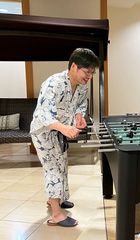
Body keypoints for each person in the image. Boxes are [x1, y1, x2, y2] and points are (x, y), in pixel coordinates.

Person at [30, 48, 99, 227]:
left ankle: (56, 199)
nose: (89, 76)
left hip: (60, 132)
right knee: (53, 168)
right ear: (74, 66)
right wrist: (66, 129)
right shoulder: (53, 83)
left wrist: (79, 117)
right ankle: (56, 214)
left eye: (92, 72)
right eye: (87, 71)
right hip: (44, 133)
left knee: (62, 165)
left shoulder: (82, 85)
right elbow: (44, 115)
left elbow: (81, 104)